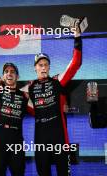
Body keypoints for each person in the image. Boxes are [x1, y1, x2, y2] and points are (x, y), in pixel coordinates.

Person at [21, 26, 82, 175]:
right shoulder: (28, 88)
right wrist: (2, 83)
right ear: (35, 68)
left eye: (46, 65)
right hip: (41, 136)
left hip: (59, 135)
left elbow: (75, 64)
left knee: (63, 172)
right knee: (43, 172)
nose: (43, 67)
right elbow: (27, 108)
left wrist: (77, 38)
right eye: (40, 65)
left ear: (49, 67)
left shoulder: (57, 82)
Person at [0, 47, 29, 176]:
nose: (9, 73)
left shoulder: (24, 96)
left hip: (16, 140)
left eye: (12, 71)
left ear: (17, 76)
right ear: (3, 76)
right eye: (6, 71)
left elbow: (40, 110)